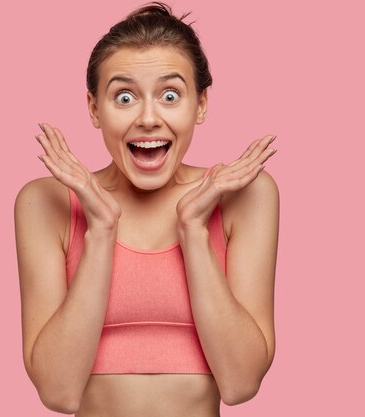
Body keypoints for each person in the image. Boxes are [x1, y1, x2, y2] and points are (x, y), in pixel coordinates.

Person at [14, 2, 279, 416]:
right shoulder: (45, 203)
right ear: (94, 108)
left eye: (170, 95)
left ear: (202, 104)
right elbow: (58, 391)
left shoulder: (243, 193)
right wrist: (100, 229)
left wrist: (193, 228)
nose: (149, 118)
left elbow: (241, 382)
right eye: (124, 97)